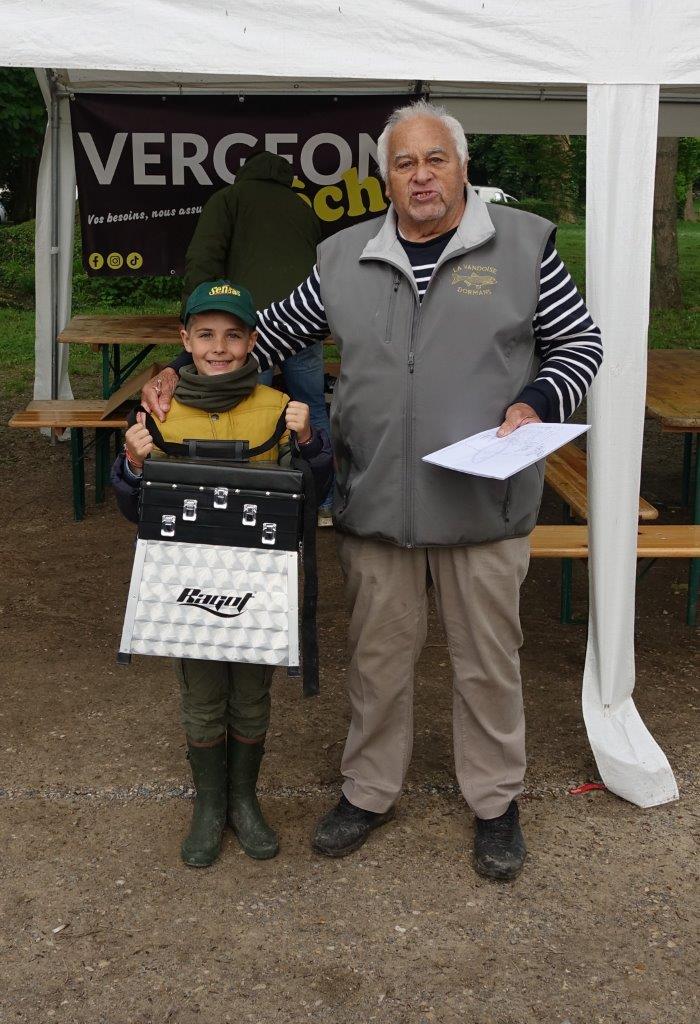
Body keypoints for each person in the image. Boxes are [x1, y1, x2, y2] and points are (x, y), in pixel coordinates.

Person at [143, 101, 603, 880]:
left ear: (462, 168)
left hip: (484, 503)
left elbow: (579, 341)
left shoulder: (524, 245)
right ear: (385, 178)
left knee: (488, 661)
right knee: (378, 658)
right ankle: (368, 791)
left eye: (435, 160)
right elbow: (270, 334)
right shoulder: (341, 256)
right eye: (403, 163)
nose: (421, 176)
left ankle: (495, 804)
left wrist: (541, 401)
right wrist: (177, 378)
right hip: (375, 497)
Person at [113, 280, 331, 868]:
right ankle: (209, 805)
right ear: (184, 341)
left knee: (252, 694)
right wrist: (132, 465)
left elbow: (317, 494)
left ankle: (245, 799)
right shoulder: (159, 409)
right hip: (187, 583)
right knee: (203, 695)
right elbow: (133, 506)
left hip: (258, 584)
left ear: (252, 342)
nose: (219, 347)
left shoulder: (278, 410)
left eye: (233, 336)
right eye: (205, 334)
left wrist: (310, 441)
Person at [179, 148, 334, 525]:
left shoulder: (228, 199)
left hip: (246, 325)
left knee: (246, 406)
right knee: (311, 405)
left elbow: (203, 257)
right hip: (302, 319)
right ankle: (326, 500)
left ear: (244, 172)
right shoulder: (302, 206)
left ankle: (248, 500)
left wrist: (197, 313)